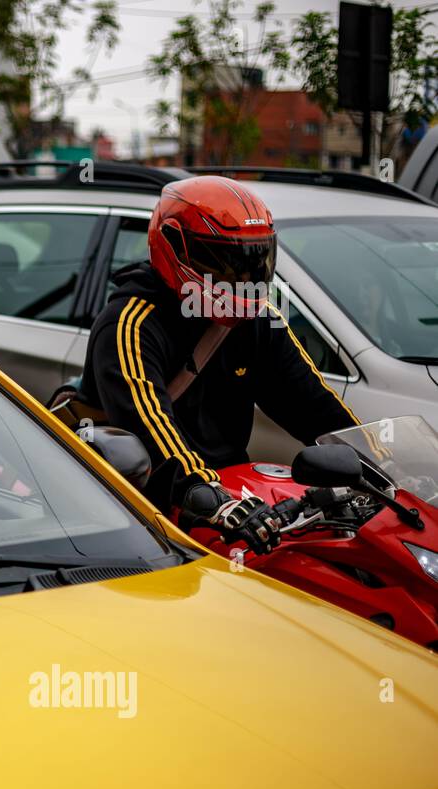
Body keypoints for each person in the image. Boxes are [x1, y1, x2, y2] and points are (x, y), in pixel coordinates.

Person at [79, 175, 360, 554]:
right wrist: (209, 495)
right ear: (175, 246)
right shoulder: (130, 323)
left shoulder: (259, 320)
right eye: (226, 266)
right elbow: (153, 431)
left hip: (234, 505)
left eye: (253, 264)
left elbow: (314, 406)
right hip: (146, 517)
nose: (243, 281)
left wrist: (371, 462)